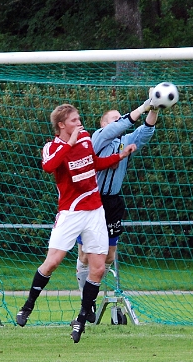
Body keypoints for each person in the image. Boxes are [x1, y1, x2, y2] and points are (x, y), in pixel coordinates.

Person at [15, 104, 136, 343]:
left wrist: (119, 156)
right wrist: (69, 143)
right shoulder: (52, 147)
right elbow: (48, 167)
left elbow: (93, 164)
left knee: (98, 268)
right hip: (70, 213)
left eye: (79, 119)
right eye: (74, 120)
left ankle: (82, 317)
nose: (79, 123)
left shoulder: (85, 140)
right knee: (52, 262)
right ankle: (28, 305)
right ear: (61, 125)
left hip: (94, 212)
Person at [75, 96, 159, 321]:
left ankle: (91, 294)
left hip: (112, 203)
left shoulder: (126, 141)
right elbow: (120, 126)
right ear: (103, 124)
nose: (119, 121)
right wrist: (142, 107)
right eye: (114, 119)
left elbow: (146, 131)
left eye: (119, 118)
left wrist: (155, 108)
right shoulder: (97, 138)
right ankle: (87, 303)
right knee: (85, 254)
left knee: (108, 256)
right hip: (91, 202)